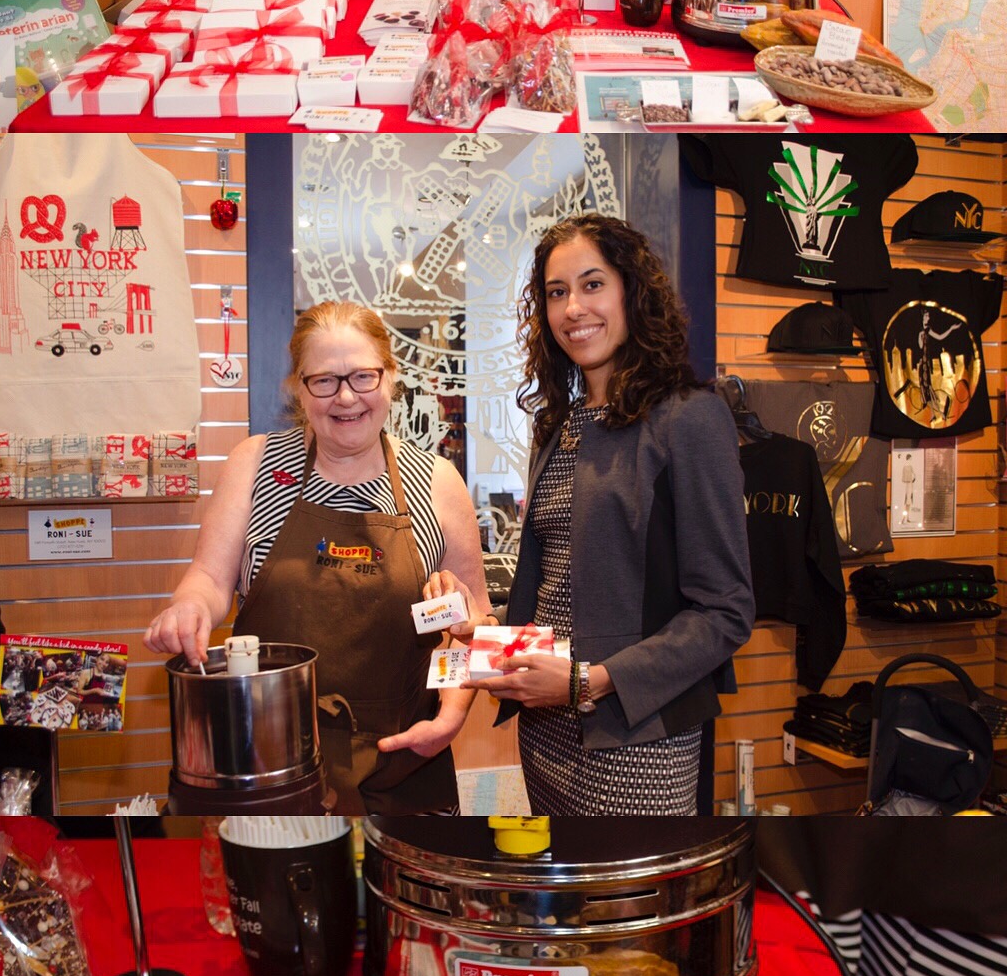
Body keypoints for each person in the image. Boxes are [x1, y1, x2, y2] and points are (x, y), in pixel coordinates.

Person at [145, 302, 491, 817]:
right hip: (263, 760)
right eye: (324, 380)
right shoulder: (256, 464)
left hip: (401, 764)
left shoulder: (437, 482)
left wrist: (452, 715)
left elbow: (475, 626)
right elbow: (209, 580)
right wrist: (188, 606)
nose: (346, 397)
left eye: (363, 376)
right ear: (298, 389)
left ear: (391, 378)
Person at [458, 216, 754, 818]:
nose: (573, 309)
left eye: (592, 285)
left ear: (631, 292)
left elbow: (725, 611)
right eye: (557, 292)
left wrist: (585, 682)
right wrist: (490, 642)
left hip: (636, 733)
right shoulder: (559, 425)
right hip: (545, 728)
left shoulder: (689, 418)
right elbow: (558, 580)